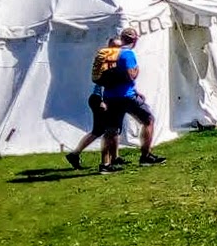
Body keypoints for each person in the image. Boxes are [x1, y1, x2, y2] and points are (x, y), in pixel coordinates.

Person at [102, 27, 166, 168]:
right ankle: (145, 155)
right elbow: (131, 75)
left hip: (110, 96)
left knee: (112, 128)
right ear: (134, 40)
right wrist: (137, 70)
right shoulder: (128, 54)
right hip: (126, 96)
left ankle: (108, 162)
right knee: (148, 120)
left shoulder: (109, 54)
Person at [65, 35, 124, 173]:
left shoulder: (114, 59)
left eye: (120, 47)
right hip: (100, 99)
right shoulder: (106, 59)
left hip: (102, 98)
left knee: (108, 130)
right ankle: (99, 161)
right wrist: (103, 101)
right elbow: (102, 82)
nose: (118, 49)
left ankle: (114, 158)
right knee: (106, 130)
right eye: (116, 46)